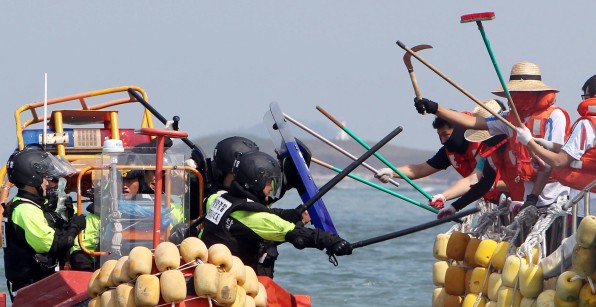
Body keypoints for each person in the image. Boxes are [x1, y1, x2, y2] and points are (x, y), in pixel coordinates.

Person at [416, 62, 571, 217]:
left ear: (529, 93)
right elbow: (472, 122)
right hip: (526, 203)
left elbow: (552, 161)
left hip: (554, 202)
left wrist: (532, 198)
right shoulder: (507, 120)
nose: (511, 98)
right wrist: (435, 108)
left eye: (515, 93)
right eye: (510, 93)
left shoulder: (554, 116)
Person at [200, 151, 352, 277]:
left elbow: (268, 215)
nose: (271, 188)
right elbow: (292, 233)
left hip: (211, 272)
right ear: (255, 181)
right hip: (228, 283)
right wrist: (331, 240)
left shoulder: (222, 200)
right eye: (268, 182)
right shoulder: (251, 216)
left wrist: (293, 215)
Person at [514, 74, 596, 216]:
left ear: (594, 96)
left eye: (584, 96)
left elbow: (559, 161)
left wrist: (529, 142)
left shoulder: (587, 124)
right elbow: (594, 155)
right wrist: (549, 145)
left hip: (583, 203)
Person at [375, 105, 506, 208]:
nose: (443, 141)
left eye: (446, 135)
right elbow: (420, 169)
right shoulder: (448, 152)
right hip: (496, 204)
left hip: (515, 200)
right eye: (440, 136)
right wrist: (391, 172)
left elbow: (513, 180)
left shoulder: (494, 144)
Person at [2, 148, 86, 295]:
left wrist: (65, 215)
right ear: (32, 177)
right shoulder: (25, 210)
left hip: (42, 287)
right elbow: (55, 244)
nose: (47, 182)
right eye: (45, 177)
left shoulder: (33, 205)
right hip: (32, 292)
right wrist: (75, 226)